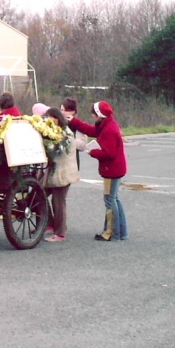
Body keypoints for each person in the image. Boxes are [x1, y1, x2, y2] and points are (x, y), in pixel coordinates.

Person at [69, 101, 128, 242]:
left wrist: (92, 151)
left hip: (112, 170)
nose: (93, 117)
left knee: (110, 200)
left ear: (99, 115)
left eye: (94, 115)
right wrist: (75, 122)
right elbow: (91, 131)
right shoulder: (107, 124)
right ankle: (122, 232)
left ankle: (111, 233)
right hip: (117, 168)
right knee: (115, 199)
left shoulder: (109, 130)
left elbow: (109, 153)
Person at [43, 107, 81, 242]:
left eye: (49, 118)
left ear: (56, 119)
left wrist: (48, 147)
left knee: (58, 201)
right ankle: (49, 223)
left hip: (63, 173)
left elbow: (61, 152)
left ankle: (60, 233)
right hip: (56, 172)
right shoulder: (58, 132)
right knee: (40, 195)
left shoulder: (65, 134)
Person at [60, 97, 88, 169]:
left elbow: (82, 146)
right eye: (62, 110)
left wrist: (67, 139)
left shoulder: (78, 125)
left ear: (73, 111)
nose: (63, 113)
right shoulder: (57, 123)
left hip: (71, 162)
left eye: (66, 110)